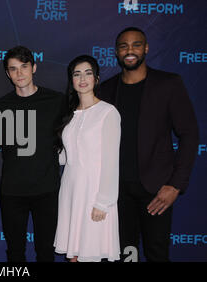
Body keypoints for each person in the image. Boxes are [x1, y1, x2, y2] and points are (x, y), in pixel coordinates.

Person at [99, 27, 199, 262]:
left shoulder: (168, 84)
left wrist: (175, 185)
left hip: (156, 191)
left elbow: (190, 134)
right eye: (124, 46)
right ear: (116, 52)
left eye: (136, 45)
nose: (129, 50)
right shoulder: (106, 90)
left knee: (157, 254)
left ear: (146, 48)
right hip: (118, 193)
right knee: (125, 256)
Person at [0, 46, 67, 262]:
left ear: (34, 67)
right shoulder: (0, 106)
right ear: (7, 73)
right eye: (13, 69)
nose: (19, 74)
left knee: (45, 252)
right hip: (13, 192)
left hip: (47, 191)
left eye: (24, 67)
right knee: (15, 253)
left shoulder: (57, 102)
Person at [53, 55, 121, 262]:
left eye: (88, 73)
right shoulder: (70, 115)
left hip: (94, 193)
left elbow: (111, 161)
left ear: (97, 79)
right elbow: (65, 157)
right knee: (74, 255)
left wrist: (103, 201)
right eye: (77, 74)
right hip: (71, 191)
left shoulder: (108, 112)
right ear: (72, 81)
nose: (82, 79)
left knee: (89, 254)